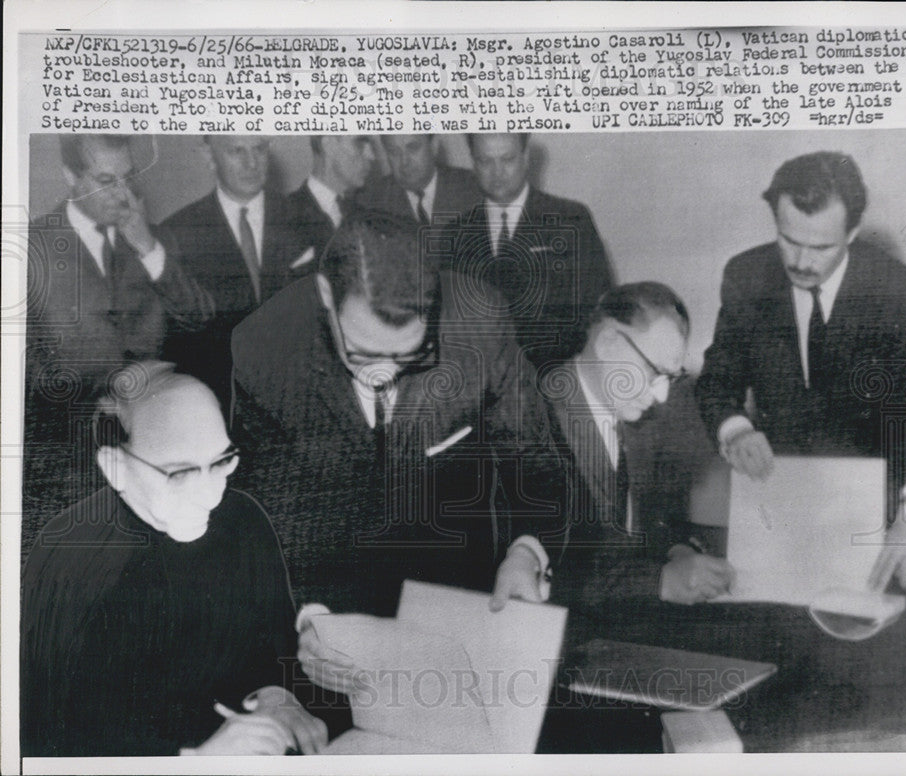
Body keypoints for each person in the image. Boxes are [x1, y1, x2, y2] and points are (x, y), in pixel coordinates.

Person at [230, 210, 566, 617]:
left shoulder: (478, 325)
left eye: (410, 353)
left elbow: (536, 461)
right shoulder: (266, 350)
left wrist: (527, 550)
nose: (383, 374)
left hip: (458, 588)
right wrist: (309, 616)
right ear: (324, 293)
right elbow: (269, 515)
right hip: (329, 595)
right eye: (363, 352)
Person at [21, 362, 333, 757]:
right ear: (114, 467)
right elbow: (44, 737)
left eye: (221, 462)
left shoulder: (243, 519)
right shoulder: (69, 559)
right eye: (181, 473)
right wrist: (194, 760)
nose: (211, 495)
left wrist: (275, 695)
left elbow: (269, 645)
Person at [696, 151, 906, 592]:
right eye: (789, 239)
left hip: (873, 502)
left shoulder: (898, 291)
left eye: (822, 247)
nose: (802, 262)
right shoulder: (746, 276)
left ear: (851, 232)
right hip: (780, 494)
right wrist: (735, 430)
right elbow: (718, 379)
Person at [23, 134, 213, 557]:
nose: (122, 194)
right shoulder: (30, 248)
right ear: (70, 177)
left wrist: (147, 247)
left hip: (156, 461)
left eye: (128, 179)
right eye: (106, 180)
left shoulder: (156, 241)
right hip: (64, 469)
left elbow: (200, 319)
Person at [545, 282, 733, 619]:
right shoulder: (536, 418)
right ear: (608, 343)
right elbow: (549, 573)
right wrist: (657, 582)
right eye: (652, 373)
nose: (659, 397)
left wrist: (678, 552)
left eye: (669, 379)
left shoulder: (637, 418)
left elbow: (654, 520)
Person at [160, 135, 312, 404]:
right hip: (218, 403)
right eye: (236, 151)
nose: (251, 163)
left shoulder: (306, 219)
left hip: (296, 398)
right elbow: (177, 345)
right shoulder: (178, 233)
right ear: (208, 156)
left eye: (259, 149)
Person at [443, 133, 614, 372]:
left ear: (526, 158)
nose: (497, 172)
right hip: (483, 390)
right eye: (485, 161)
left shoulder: (571, 220)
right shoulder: (455, 234)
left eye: (507, 159)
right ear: (473, 162)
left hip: (555, 383)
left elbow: (597, 312)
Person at [286, 135, 376, 261]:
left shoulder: (368, 219)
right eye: (359, 144)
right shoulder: (282, 218)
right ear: (329, 145)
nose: (372, 156)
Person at [355, 134, 480, 224]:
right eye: (394, 152)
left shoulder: (473, 190)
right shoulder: (371, 204)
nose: (404, 162)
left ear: (434, 146)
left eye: (413, 148)